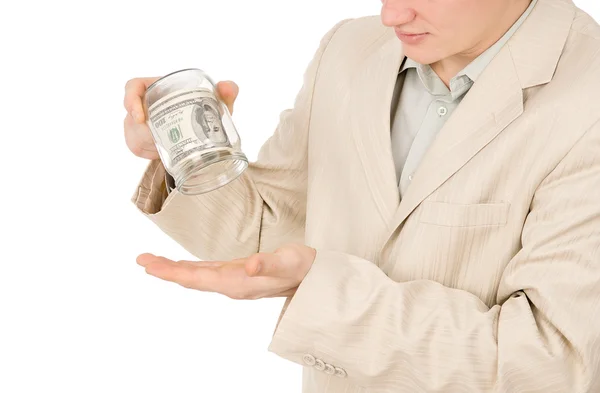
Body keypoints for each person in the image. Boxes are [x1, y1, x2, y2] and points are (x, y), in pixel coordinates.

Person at [123, 0, 600, 391]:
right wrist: (179, 153)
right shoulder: (350, 48)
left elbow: (551, 365)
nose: (391, 15)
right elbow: (269, 240)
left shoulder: (588, 98)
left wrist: (328, 291)